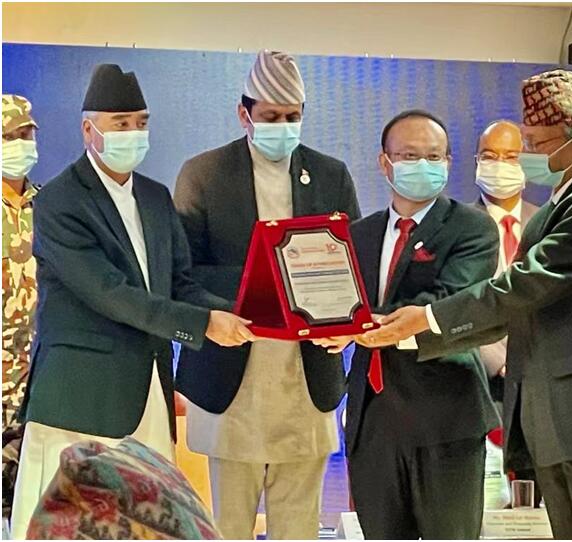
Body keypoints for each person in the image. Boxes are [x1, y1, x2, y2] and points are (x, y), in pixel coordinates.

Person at [362, 69, 572, 540]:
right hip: (566, 421)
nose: (525, 154)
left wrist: (425, 318)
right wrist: (412, 333)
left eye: (535, 143)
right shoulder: (558, 206)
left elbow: (522, 288)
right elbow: (521, 309)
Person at [10, 64, 253, 540]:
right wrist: (203, 324)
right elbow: (112, 295)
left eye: (141, 123)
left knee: (148, 524)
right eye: (120, 124)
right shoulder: (60, 201)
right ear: (89, 130)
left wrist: (245, 310)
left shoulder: (155, 198)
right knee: (68, 526)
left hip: (148, 395)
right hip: (79, 401)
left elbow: (180, 284)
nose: (133, 134)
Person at [173, 50, 361, 540]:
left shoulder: (331, 175)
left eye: (292, 117)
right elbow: (181, 273)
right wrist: (255, 290)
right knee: (227, 526)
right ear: (244, 114)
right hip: (231, 375)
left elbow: (351, 266)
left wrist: (346, 324)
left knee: (298, 525)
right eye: (271, 117)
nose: (283, 127)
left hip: (305, 376)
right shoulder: (204, 174)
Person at [316, 109, 500, 539]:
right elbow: (339, 305)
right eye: (409, 155)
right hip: (372, 420)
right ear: (385, 163)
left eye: (434, 156)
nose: (422, 165)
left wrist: (362, 327)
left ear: (449, 162)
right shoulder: (357, 235)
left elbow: (447, 301)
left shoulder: (472, 228)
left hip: (446, 417)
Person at [473, 119, 540, 506]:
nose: (499, 165)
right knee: (487, 499)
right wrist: (500, 361)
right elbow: (459, 301)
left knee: (539, 496)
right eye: (489, 156)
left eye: (510, 156)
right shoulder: (457, 226)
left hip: (541, 379)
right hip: (484, 382)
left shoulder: (550, 223)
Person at [2, 95, 40, 521]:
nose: (23, 144)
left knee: (27, 504)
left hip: (35, 382)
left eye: (28, 134)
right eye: (12, 136)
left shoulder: (49, 206)